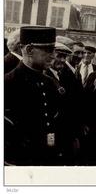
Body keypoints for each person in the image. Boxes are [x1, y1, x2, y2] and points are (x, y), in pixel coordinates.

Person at [4, 26, 63, 165]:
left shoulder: (49, 82)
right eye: (48, 50)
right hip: (19, 161)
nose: (53, 55)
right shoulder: (8, 83)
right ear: (30, 50)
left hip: (47, 157)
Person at [44, 42, 83, 165]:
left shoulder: (66, 74)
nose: (62, 60)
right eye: (59, 56)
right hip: (50, 130)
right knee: (50, 155)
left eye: (64, 57)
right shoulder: (43, 74)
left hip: (66, 129)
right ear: (50, 56)